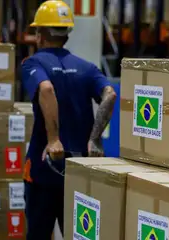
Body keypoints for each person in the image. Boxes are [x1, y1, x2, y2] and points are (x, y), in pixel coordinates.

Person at [21, 1, 117, 239]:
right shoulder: (86, 68)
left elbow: (45, 89)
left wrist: (54, 139)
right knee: (77, 234)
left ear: (41, 34)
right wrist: (94, 139)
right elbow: (110, 94)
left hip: (43, 170)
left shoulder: (33, 63)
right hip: (78, 172)